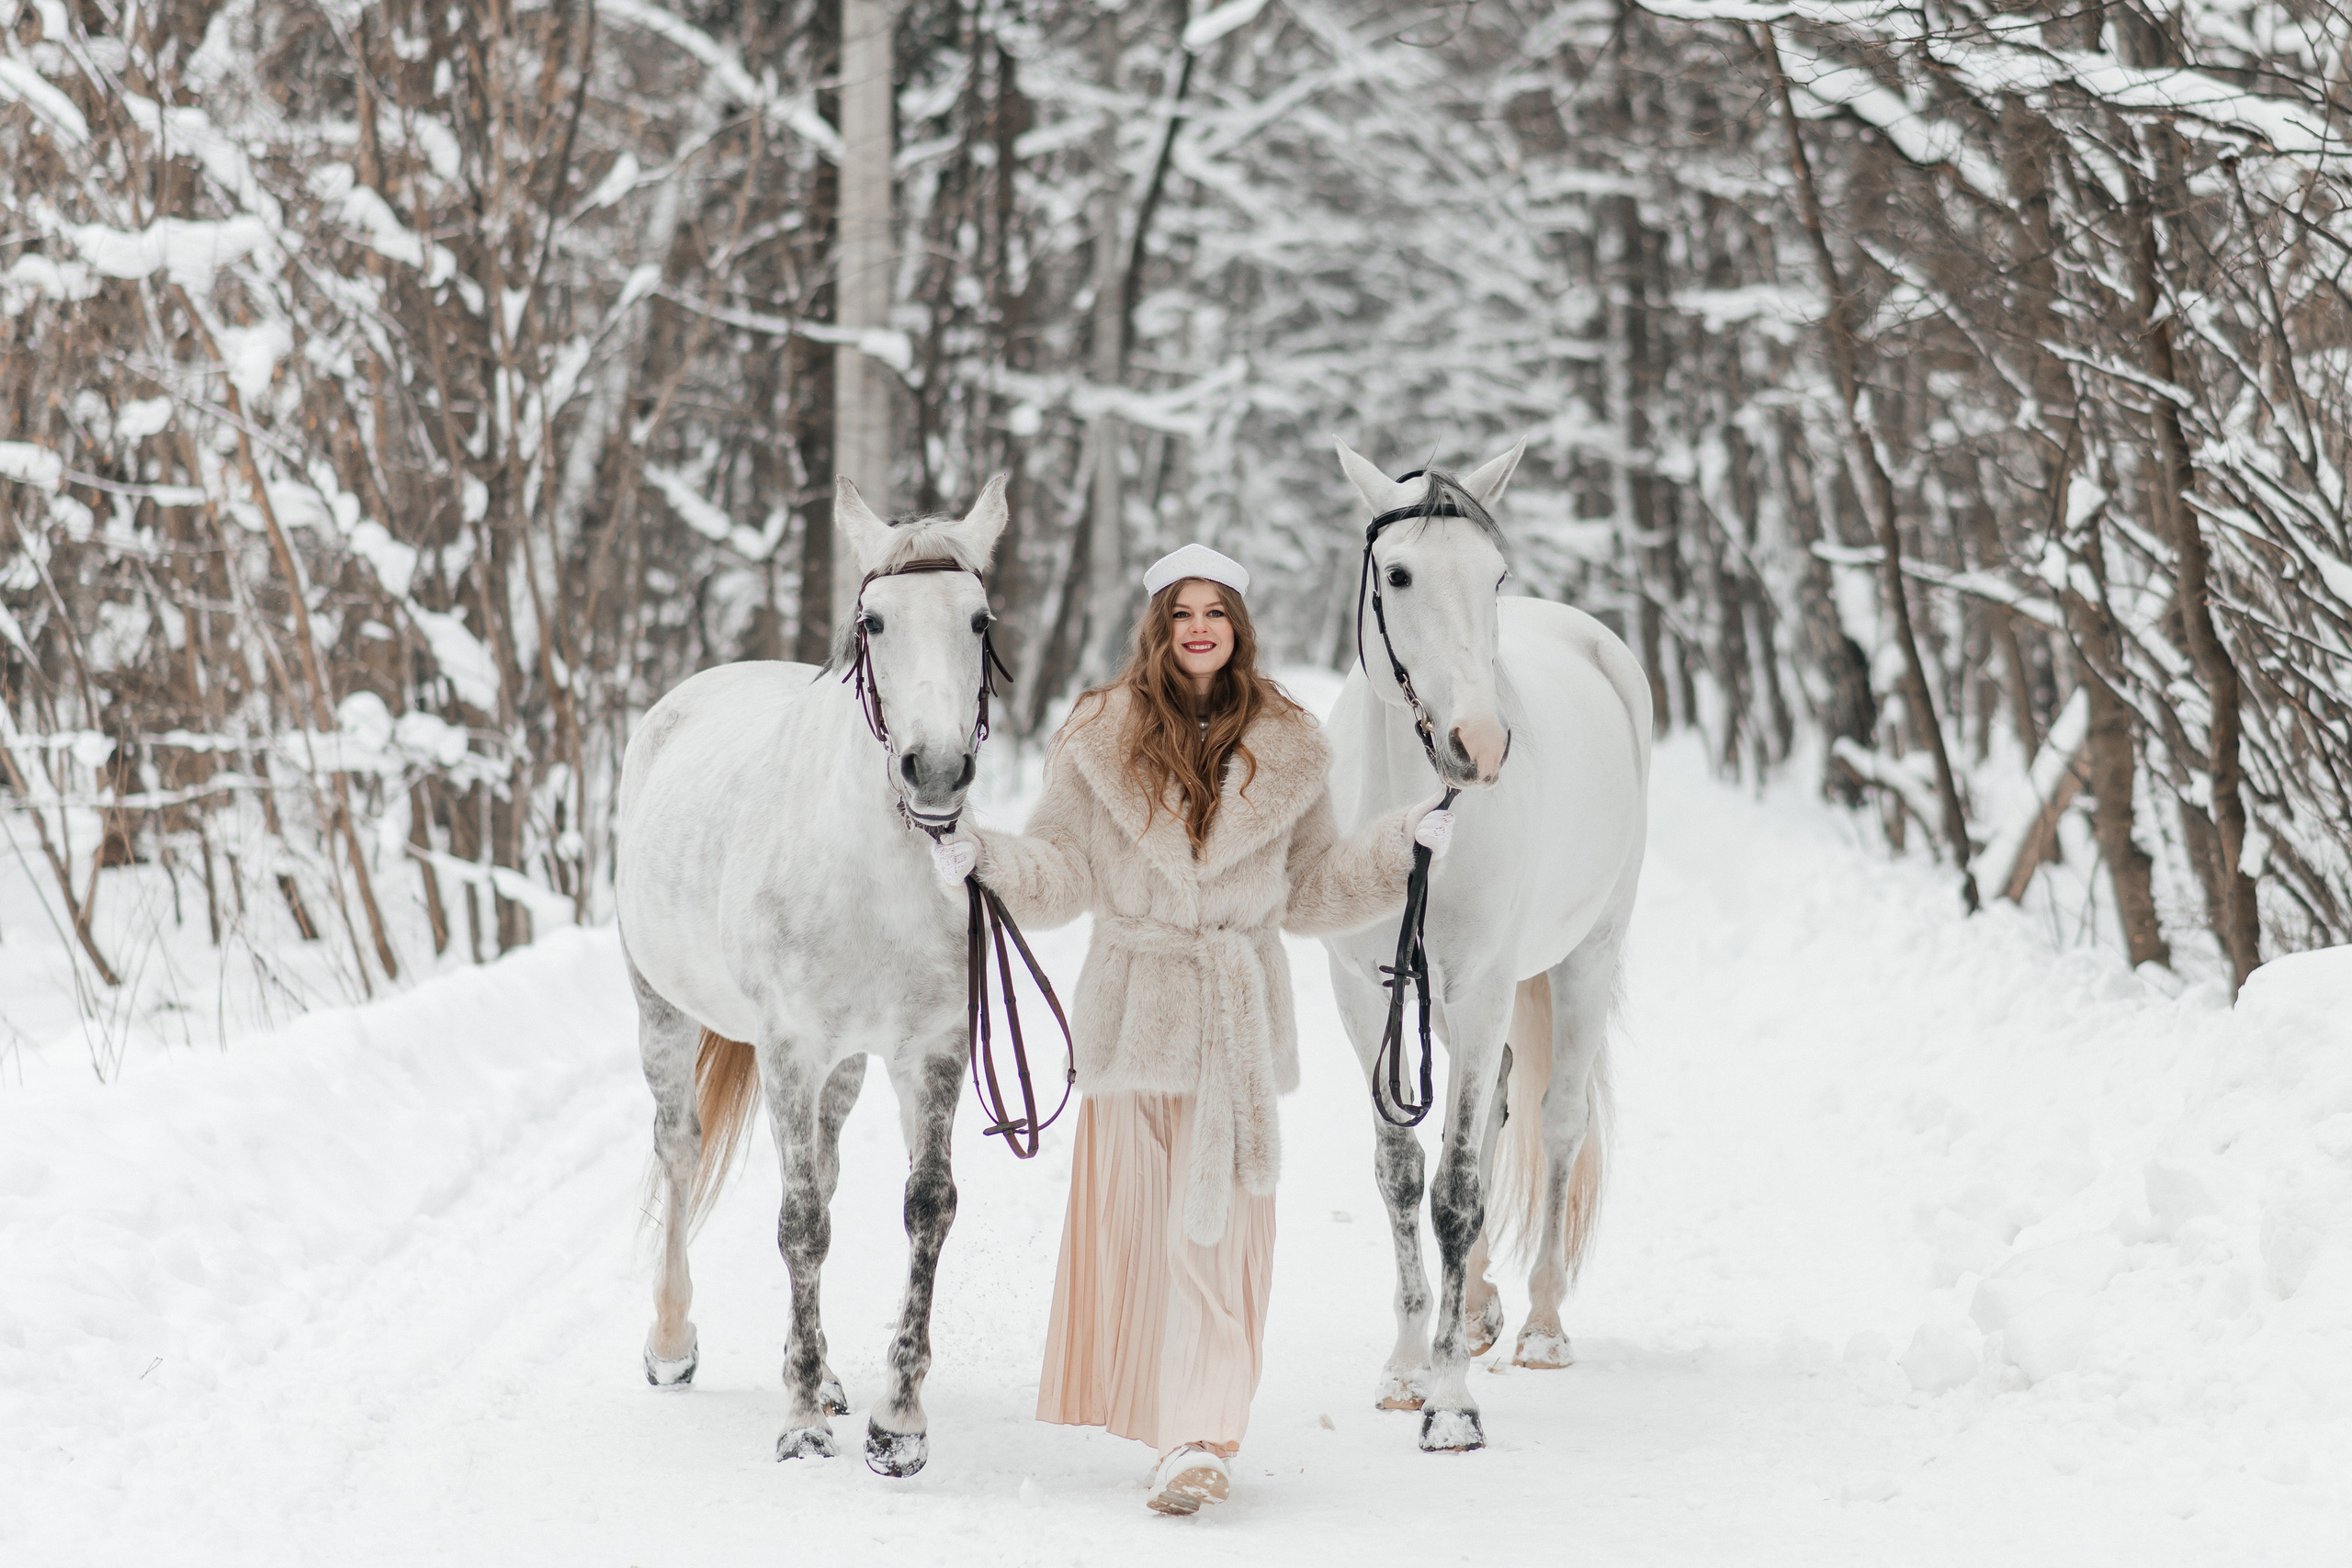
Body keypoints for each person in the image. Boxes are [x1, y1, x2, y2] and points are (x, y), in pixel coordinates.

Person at [931, 543, 1453, 1515]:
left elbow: (1309, 891)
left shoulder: (1290, 742)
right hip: (1133, 1021)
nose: (1200, 627)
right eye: (1182, 614)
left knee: (1217, 1245)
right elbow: (1062, 868)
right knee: (1145, 1241)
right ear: (1160, 628)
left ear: (1238, 627)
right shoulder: (1098, 734)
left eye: (1215, 611)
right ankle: (1166, 1420)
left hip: (1237, 1030)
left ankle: (1199, 1439)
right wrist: (987, 859)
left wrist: (1396, 848)